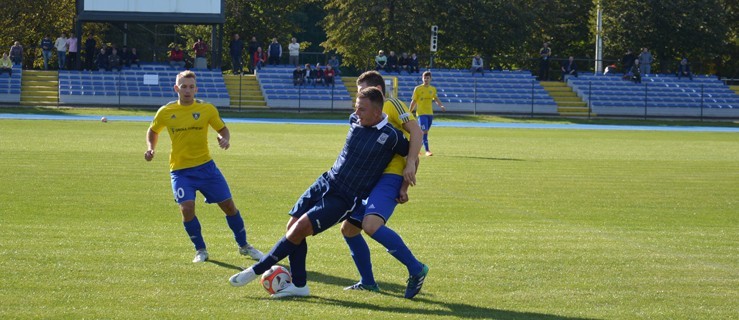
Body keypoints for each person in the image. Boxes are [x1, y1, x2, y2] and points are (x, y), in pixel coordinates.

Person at [228, 86, 410, 299]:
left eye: (362, 110)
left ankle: (256, 270)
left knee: (299, 230)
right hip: (326, 181)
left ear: (377, 113)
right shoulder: (354, 120)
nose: (356, 113)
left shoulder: (391, 136)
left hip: (345, 197)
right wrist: (359, 113)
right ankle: (299, 285)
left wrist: (406, 180)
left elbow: (412, 149)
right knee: (292, 226)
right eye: (356, 108)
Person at [144, 70, 264, 264]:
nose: (187, 90)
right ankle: (200, 249)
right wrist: (151, 148)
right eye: (183, 86)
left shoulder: (207, 109)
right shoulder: (166, 111)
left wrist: (224, 138)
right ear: (176, 88)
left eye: (191, 87)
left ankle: (244, 246)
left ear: (196, 89)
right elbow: (153, 130)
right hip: (181, 171)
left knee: (229, 206)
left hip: (207, 169)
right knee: (187, 208)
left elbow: (222, 128)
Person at [340, 71, 427, 299]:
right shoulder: (364, 115)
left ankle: (416, 269)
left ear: (377, 90)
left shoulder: (392, 104)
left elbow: (416, 131)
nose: (360, 99)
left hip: (391, 175)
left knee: (370, 225)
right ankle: (368, 282)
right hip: (371, 178)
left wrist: (409, 166)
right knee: (349, 229)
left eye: (362, 92)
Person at [410, 71, 445, 156]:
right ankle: (427, 150)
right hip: (421, 114)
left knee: (425, 132)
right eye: (424, 78)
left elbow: (436, 98)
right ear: (422, 78)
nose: (426, 79)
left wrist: (441, 106)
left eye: (428, 78)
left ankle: (416, 150)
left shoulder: (432, 89)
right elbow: (414, 101)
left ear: (430, 79)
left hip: (430, 114)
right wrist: (409, 111)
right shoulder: (417, 89)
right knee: (424, 131)